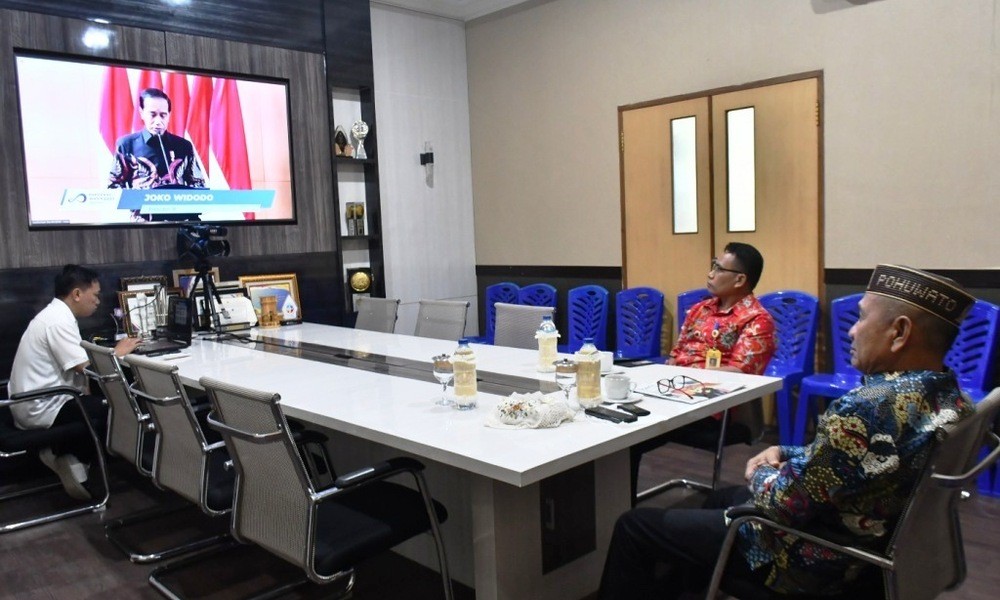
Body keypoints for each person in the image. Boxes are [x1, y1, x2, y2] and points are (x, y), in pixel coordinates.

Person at [601, 264, 976, 599]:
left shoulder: (867, 407)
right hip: (871, 544)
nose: (852, 330)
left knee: (635, 526)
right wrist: (783, 451)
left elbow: (786, 504)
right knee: (720, 498)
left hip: (813, 561)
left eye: (861, 318)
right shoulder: (951, 398)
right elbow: (858, 458)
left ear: (899, 332)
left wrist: (761, 470)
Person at [630, 242, 776, 499]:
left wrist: (687, 377)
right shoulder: (700, 309)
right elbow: (677, 353)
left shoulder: (757, 319)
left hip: (712, 408)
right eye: (713, 265)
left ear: (740, 279)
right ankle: (617, 504)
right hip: (672, 394)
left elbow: (742, 374)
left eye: (718, 268)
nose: (710, 273)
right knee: (623, 423)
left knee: (631, 435)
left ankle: (620, 509)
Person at [9, 265, 141, 499]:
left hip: (37, 401)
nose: (98, 301)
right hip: (41, 407)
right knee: (116, 405)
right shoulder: (57, 321)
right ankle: (69, 457)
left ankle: (66, 455)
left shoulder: (55, 315)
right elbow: (86, 368)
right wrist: (118, 352)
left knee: (99, 400)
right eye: (95, 295)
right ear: (77, 294)